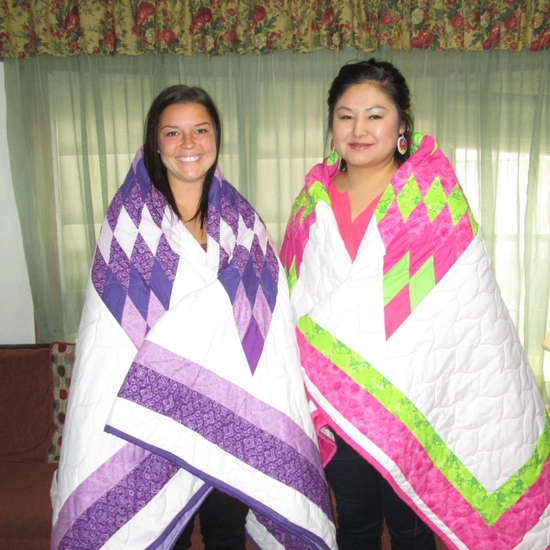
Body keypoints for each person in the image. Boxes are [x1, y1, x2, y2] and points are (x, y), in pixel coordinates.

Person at [50, 85, 336, 550]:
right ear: (155, 142)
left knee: (225, 531)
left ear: (216, 138)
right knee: (171, 537)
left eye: (200, 130)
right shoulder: (129, 222)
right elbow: (113, 328)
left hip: (232, 415)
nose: (188, 144)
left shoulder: (243, 222)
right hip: (152, 417)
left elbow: (267, 322)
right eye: (173, 132)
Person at [280, 60, 550, 550]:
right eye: (346, 116)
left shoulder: (430, 196)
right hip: (336, 406)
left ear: (402, 124)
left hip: (414, 395)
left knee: (410, 529)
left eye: (375, 115)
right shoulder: (311, 200)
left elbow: (461, 299)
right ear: (331, 125)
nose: (359, 129)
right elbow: (294, 295)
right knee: (356, 522)